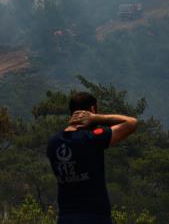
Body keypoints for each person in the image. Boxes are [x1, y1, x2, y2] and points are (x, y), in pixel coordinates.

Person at [46, 91, 138, 224]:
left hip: (65, 217)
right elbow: (131, 123)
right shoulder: (91, 139)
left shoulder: (53, 143)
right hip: (95, 217)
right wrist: (98, 118)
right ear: (92, 110)